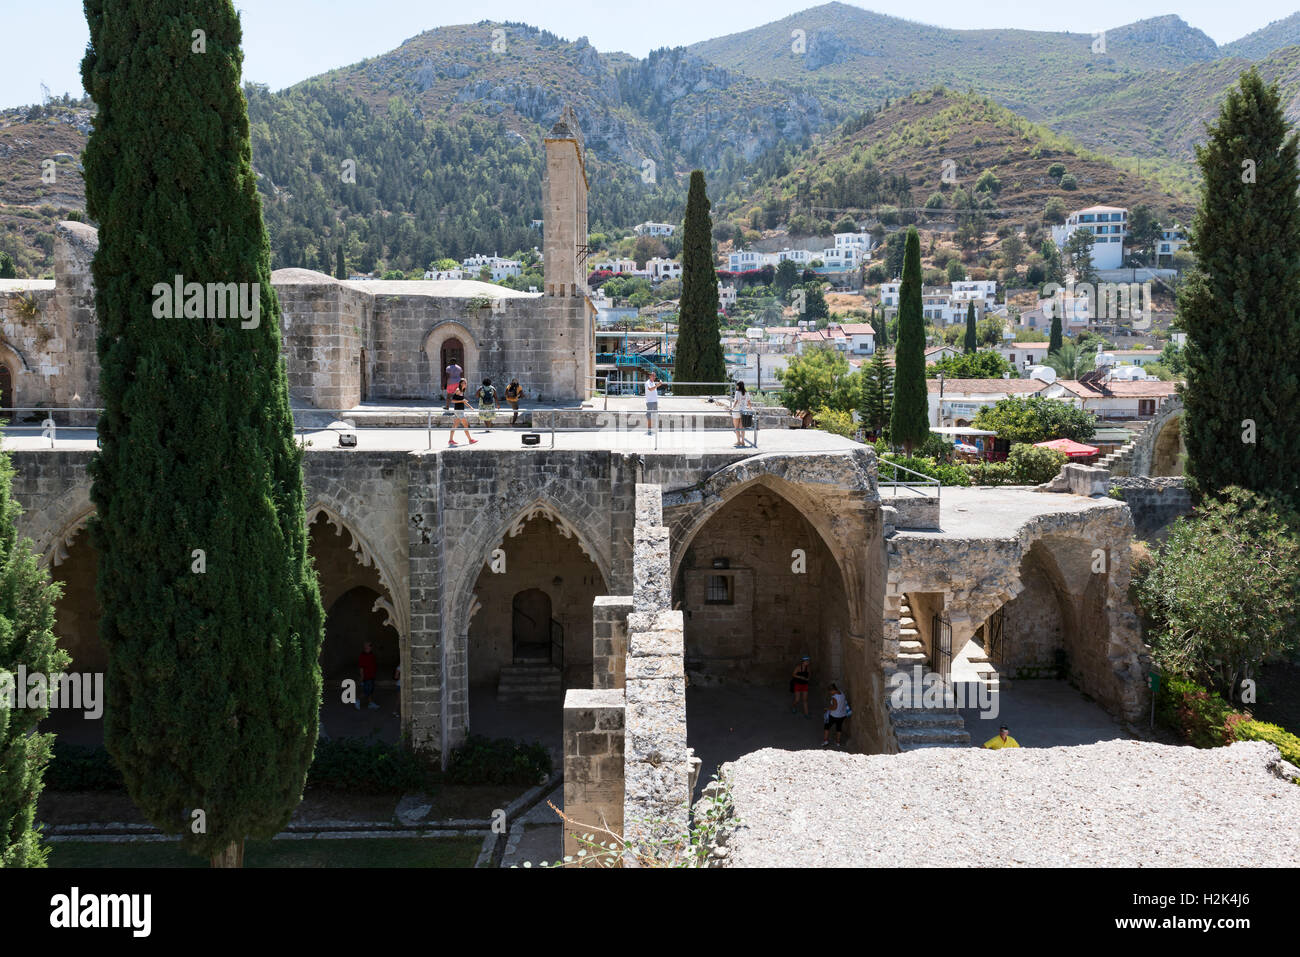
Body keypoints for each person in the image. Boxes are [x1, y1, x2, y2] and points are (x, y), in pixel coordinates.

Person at [448, 380, 477, 447]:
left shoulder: (462, 391)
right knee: (465, 425)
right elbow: (453, 401)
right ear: (460, 384)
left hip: (459, 410)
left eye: (466, 383)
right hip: (459, 410)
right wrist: (462, 400)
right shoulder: (458, 390)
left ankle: (450, 440)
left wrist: (470, 407)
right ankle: (470, 440)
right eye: (464, 383)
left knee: (455, 425)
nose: (465, 384)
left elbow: (463, 401)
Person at [356, 641, 380, 711]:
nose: (367, 647)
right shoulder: (362, 655)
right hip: (366, 677)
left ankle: (370, 703)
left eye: (369, 646)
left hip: (372, 676)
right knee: (366, 692)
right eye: (366, 646)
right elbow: (361, 667)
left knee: (370, 691)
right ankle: (357, 700)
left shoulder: (371, 654)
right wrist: (362, 677)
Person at [730, 381, 753, 448]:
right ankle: (743, 441)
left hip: (736, 411)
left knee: (736, 427)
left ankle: (738, 441)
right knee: (742, 427)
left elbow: (736, 401)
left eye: (737, 385)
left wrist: (732, 408)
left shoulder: (737, 392)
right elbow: (749, 402)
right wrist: (750, 409)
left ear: (739, 386)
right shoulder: (746, 393)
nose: (736, 387)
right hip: (743, 411)